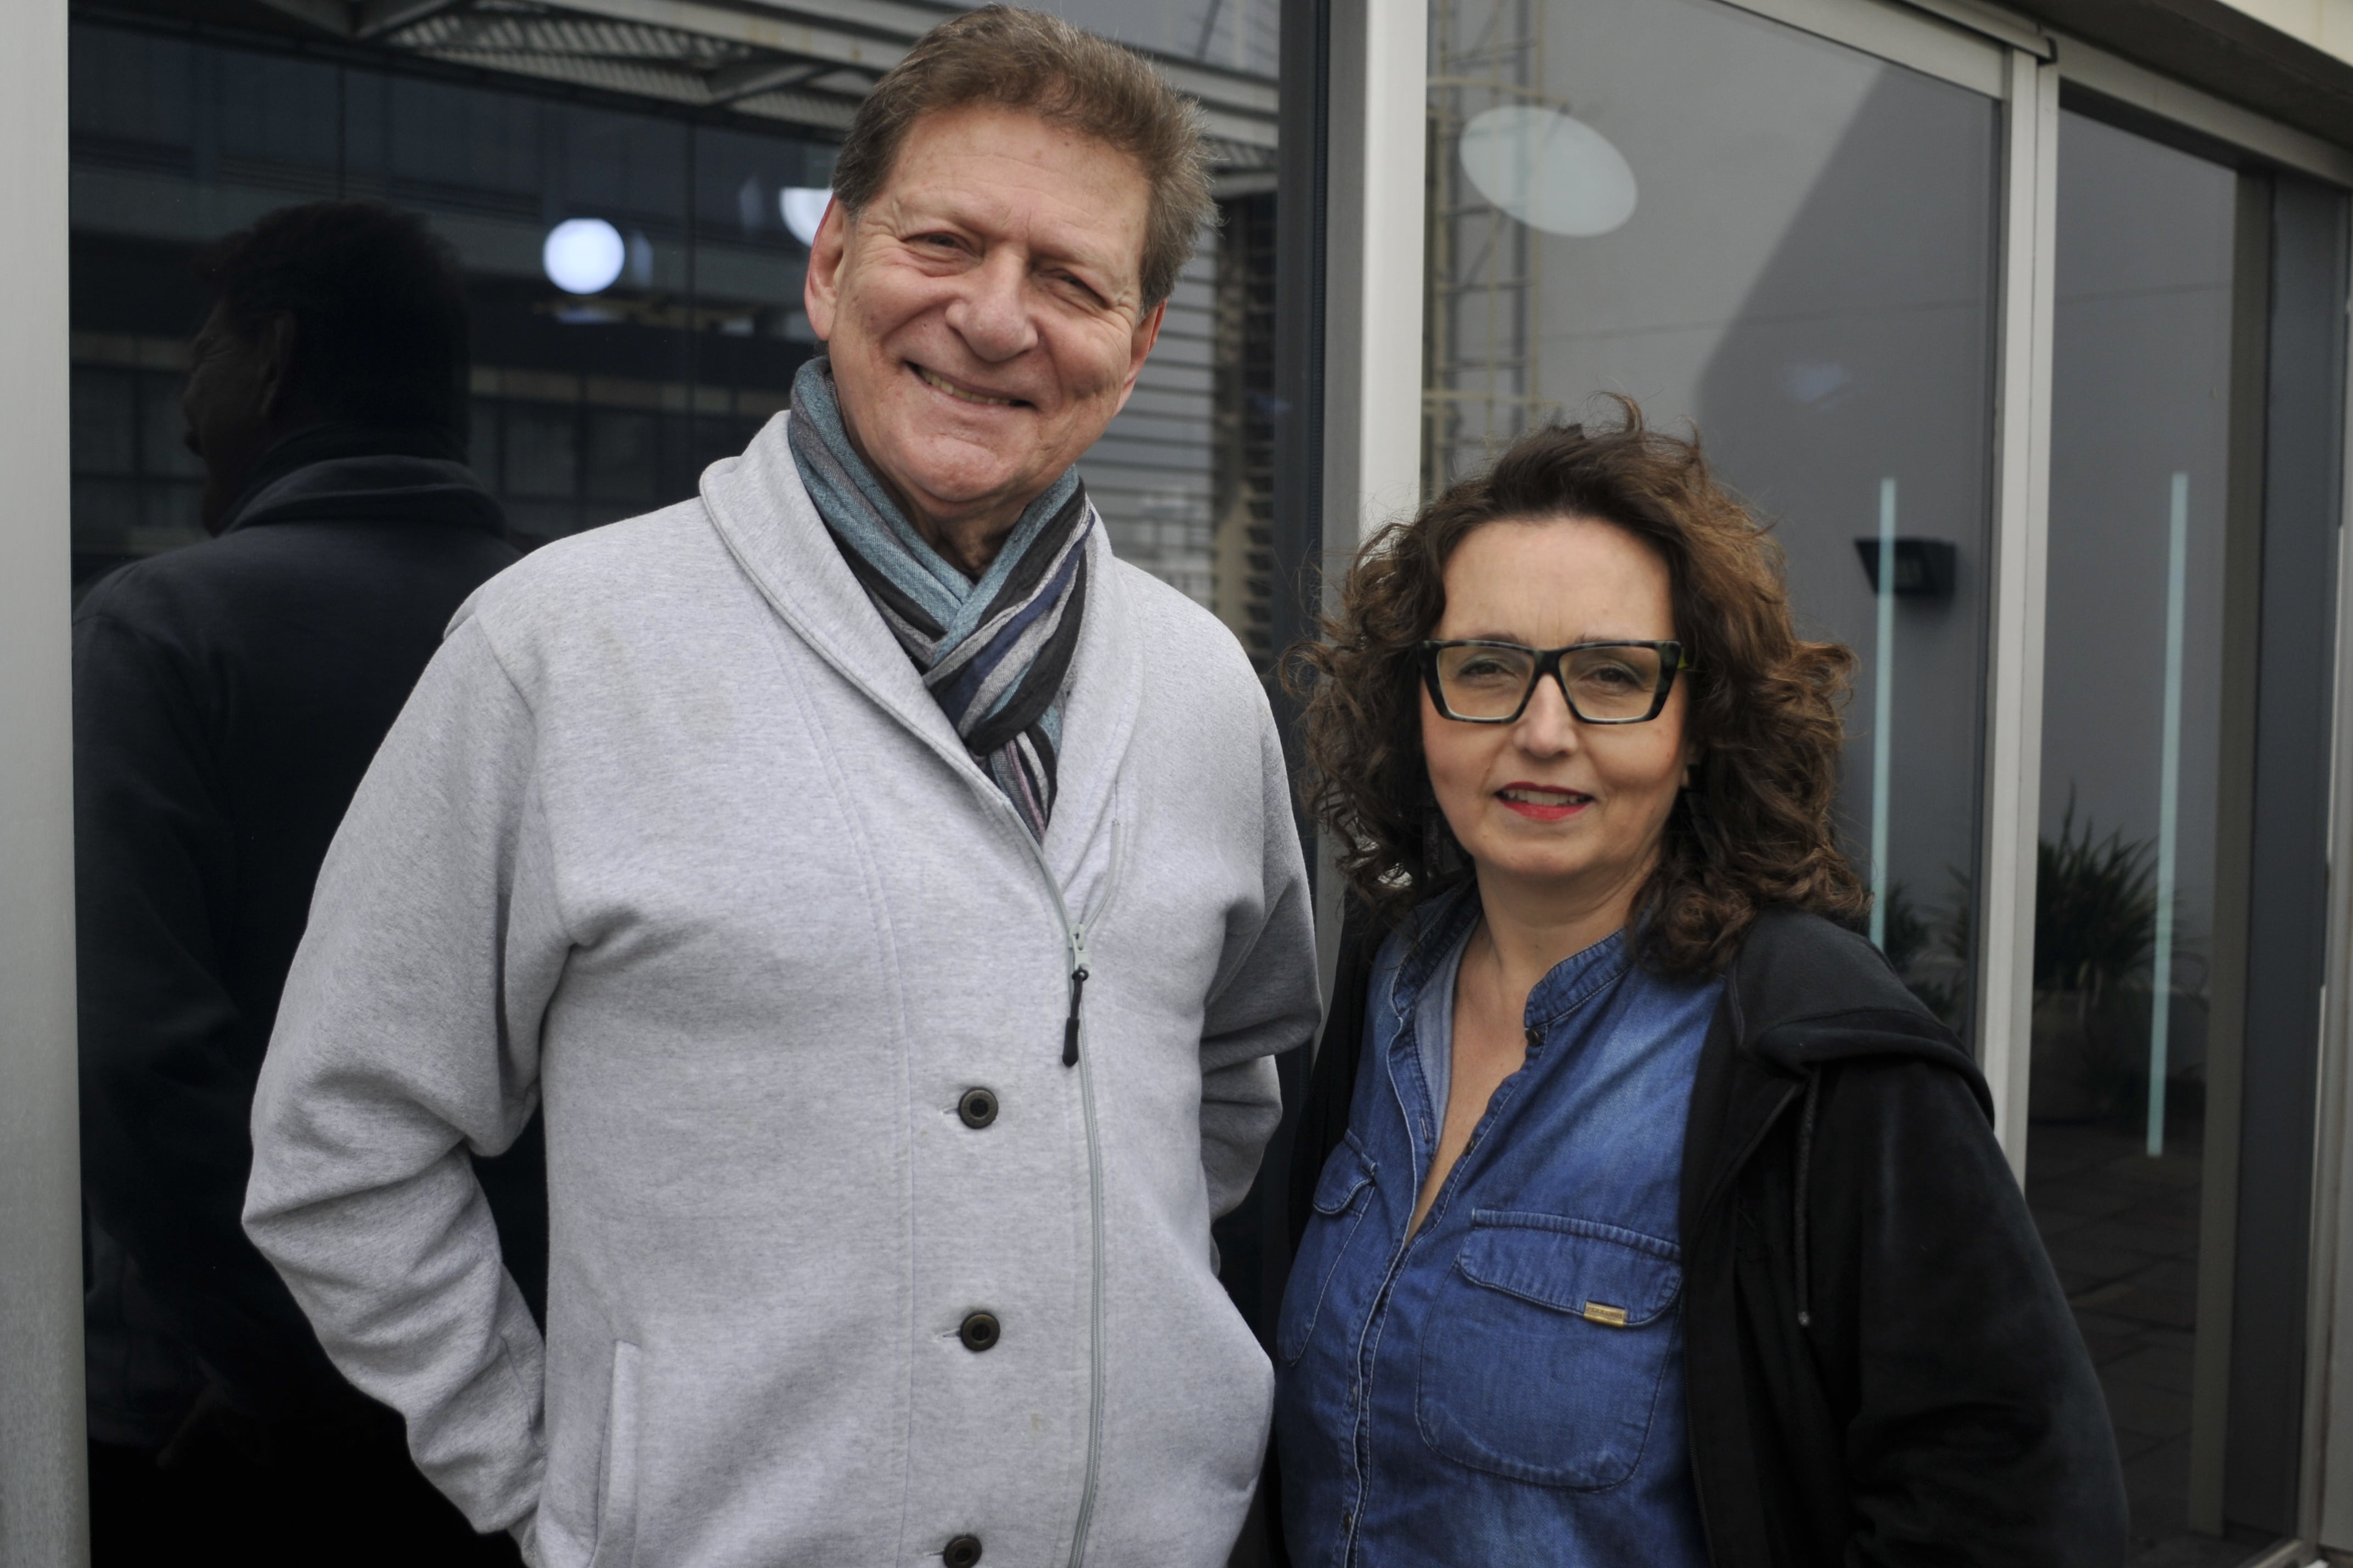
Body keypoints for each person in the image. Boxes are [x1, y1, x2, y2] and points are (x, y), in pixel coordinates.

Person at [240, 9, 1320, 1567]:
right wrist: (553, 1488)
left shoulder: (1204, 688)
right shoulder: (561, 650)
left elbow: (1226, 1080)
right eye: (944, 243)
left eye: (1070, 280)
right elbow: (344, 1141)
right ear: (830, 264)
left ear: (1138, 343)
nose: (994, 318)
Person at [1270, 412, 2127, 1566]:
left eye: (1611, 675)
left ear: (1700, 726)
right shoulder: (1388, 984)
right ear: (1414, 704)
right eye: (1486, 667)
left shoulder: (1813, 1056)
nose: (1542, 731)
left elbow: (2018, 1510)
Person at [75, 201, 531, 1566]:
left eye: (200, 358)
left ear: (272, 360)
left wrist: (298, 1378)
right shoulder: (577, 642)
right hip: (532, 1405)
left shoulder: (163, 633)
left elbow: (142, 1064)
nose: (183, 413)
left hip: (223, 1421)